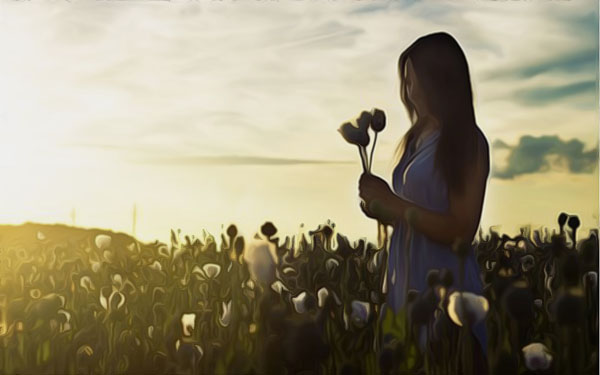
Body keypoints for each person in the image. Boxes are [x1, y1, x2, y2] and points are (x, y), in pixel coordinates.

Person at [358, 32, 490, 373]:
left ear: (436, 80)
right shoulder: (416, 142)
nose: (407, 90)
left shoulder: (467, 141)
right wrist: (381, 208)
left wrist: (392, 201)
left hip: (449, 299)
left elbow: (461, 229)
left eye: (411, 78)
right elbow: (416, 215)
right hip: (406, 292)